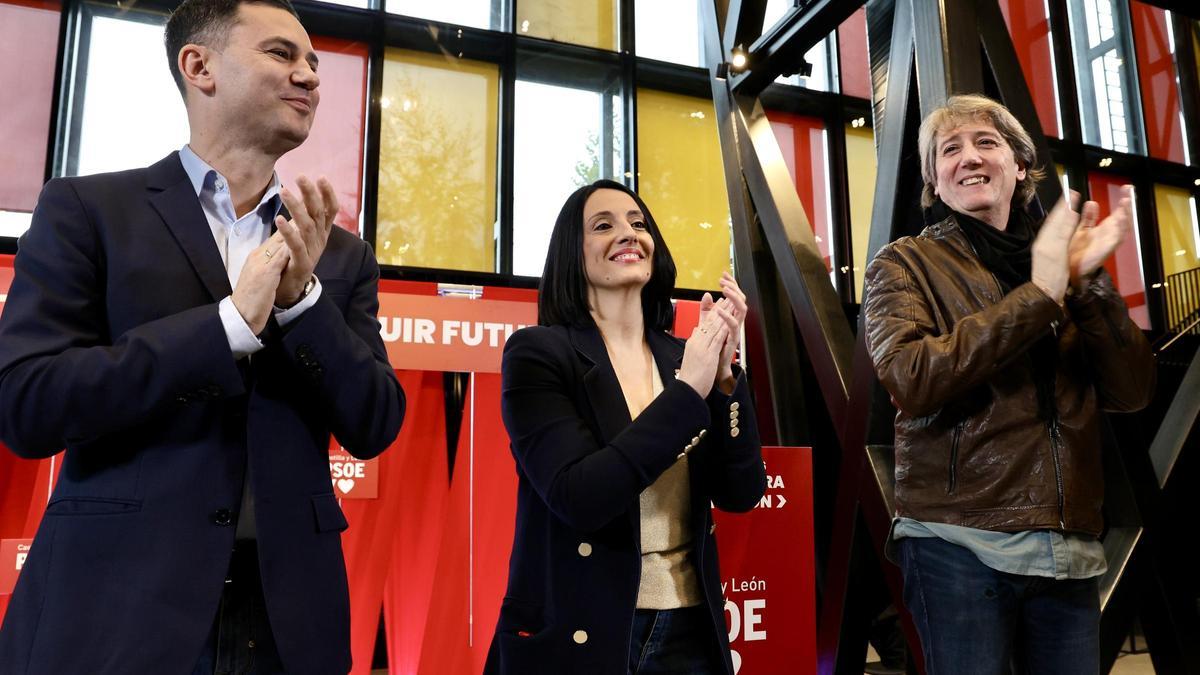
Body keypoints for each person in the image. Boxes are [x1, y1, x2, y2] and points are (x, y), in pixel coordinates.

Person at [0, 0, 405, 672]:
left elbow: (375, 421)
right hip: (114, 607)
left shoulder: (339, 255)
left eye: (313, 63)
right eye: (282, 54)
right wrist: (225, 329)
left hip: (287, 620)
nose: (310, 76)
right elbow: (27, 404)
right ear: (199, 66)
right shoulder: (86, 211)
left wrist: (303, 304)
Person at [863, 94, 1154, 674]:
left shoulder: (1060, 261)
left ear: (1019, 166)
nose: (969, 157)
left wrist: (1087, 284)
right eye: (950, 150)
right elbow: (912, 378)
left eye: (986, 142)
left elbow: (1131, 392)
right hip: (957, 541)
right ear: (935, 182)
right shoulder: (903, 264)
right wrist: (1040, 295)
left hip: (1066, 546)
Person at [484, 180, 766, 674]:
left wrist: (723, 381)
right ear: (573, 252)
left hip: (691, 629)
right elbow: (579, 496)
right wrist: (685, 394)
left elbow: (741, 493)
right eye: (604, 225)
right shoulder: (538, 353)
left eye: (638, 223)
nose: (628, 234)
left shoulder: (686, 357)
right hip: (585, 628)